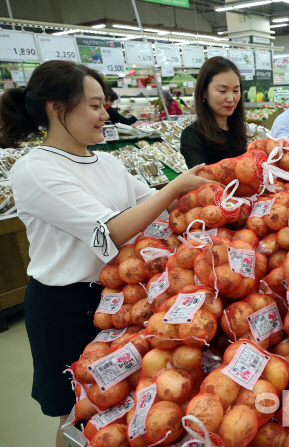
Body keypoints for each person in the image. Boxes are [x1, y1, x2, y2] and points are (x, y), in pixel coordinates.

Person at [0, 60, 214, 447]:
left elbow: (160, 209)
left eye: (106, 104)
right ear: (57, 108)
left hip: (119, 299)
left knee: (120, 408)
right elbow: (108, 232)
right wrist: (172, 188)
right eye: (96, 105)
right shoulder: (35, 169)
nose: (106, 114)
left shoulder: (107, 161)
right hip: (64, 307)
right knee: (78, 414)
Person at [180, 57, 248, 167]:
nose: (231, 98)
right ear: (204, 92)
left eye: (236, 90)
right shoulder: (193, 136)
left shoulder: (237, 129)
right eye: (222, 91)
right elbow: (201, 180)